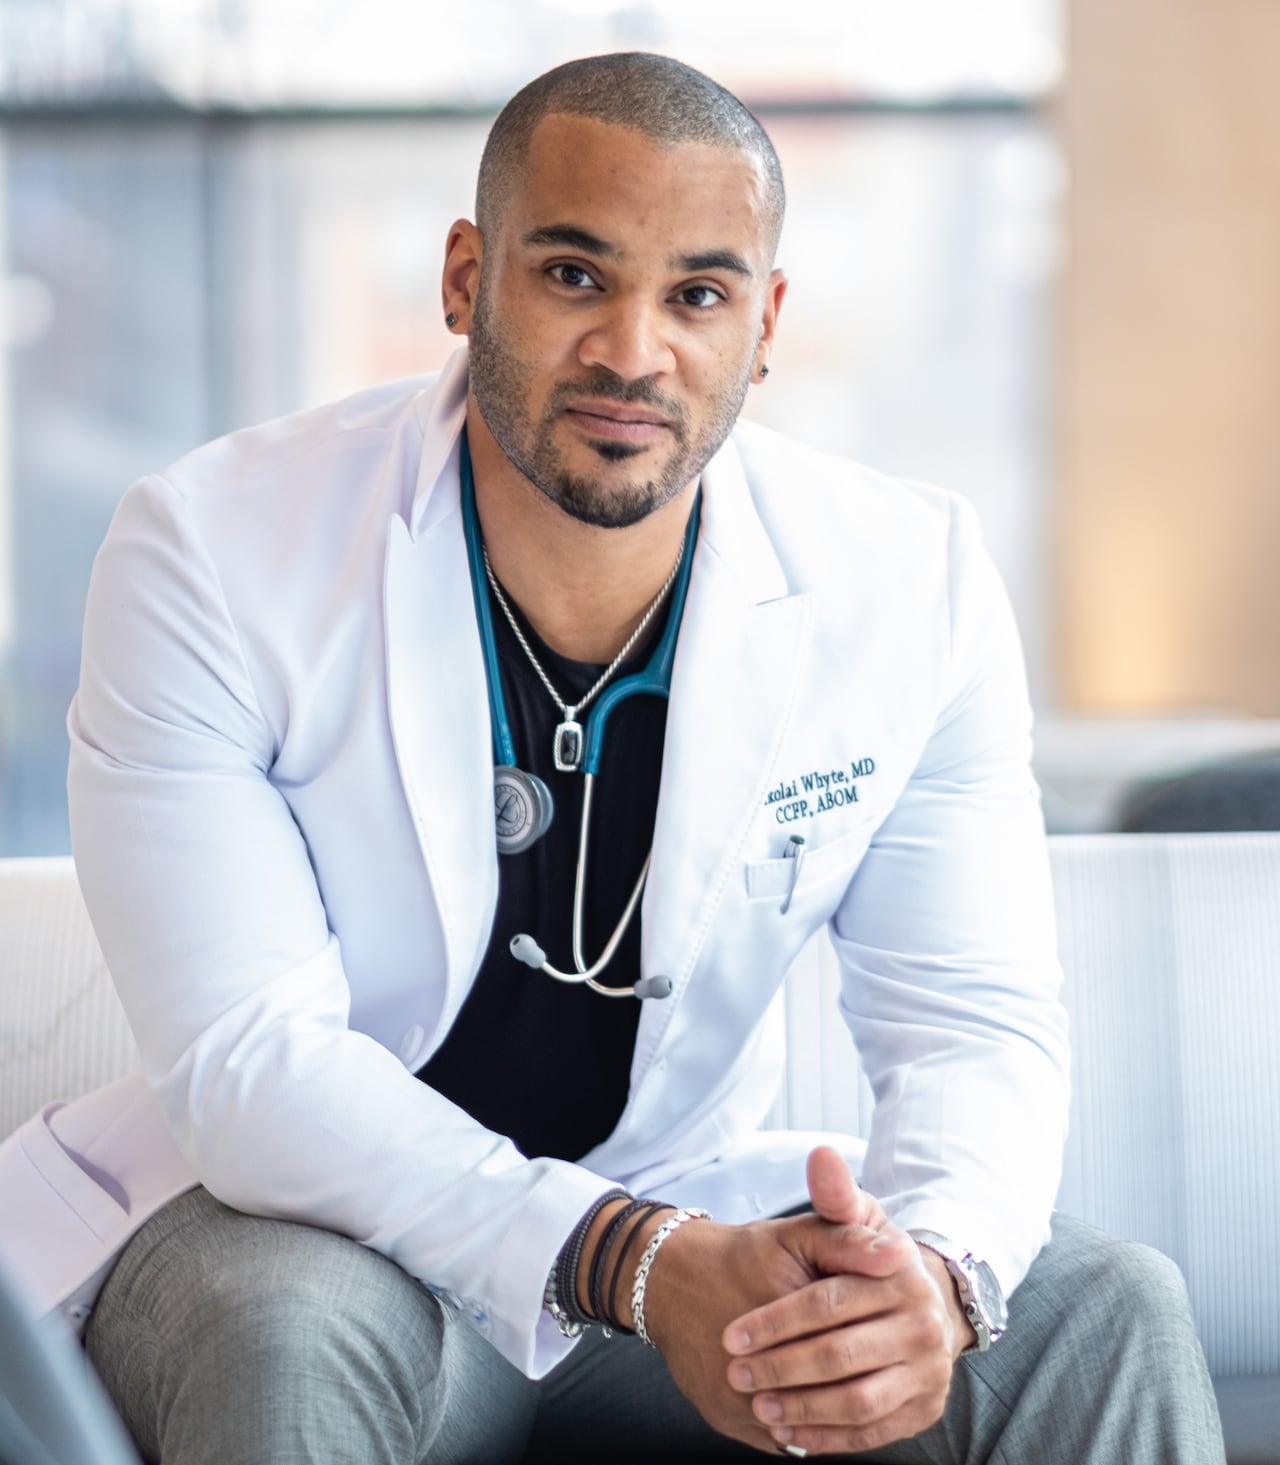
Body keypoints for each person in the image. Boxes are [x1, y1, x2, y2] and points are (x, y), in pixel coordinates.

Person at [0, 52, 1223, 1465]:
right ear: (467, 279)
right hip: (306, 1225)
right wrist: (628, 1257)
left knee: (1098, 1311)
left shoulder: (908, 583)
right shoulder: (214, 551)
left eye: (697, 295)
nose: (634, 352)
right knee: (292, 1326)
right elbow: (253, 1065)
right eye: (575, 276)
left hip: (682, 1213)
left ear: (765, 326)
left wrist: (938, 1279)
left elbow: (971, 1019)